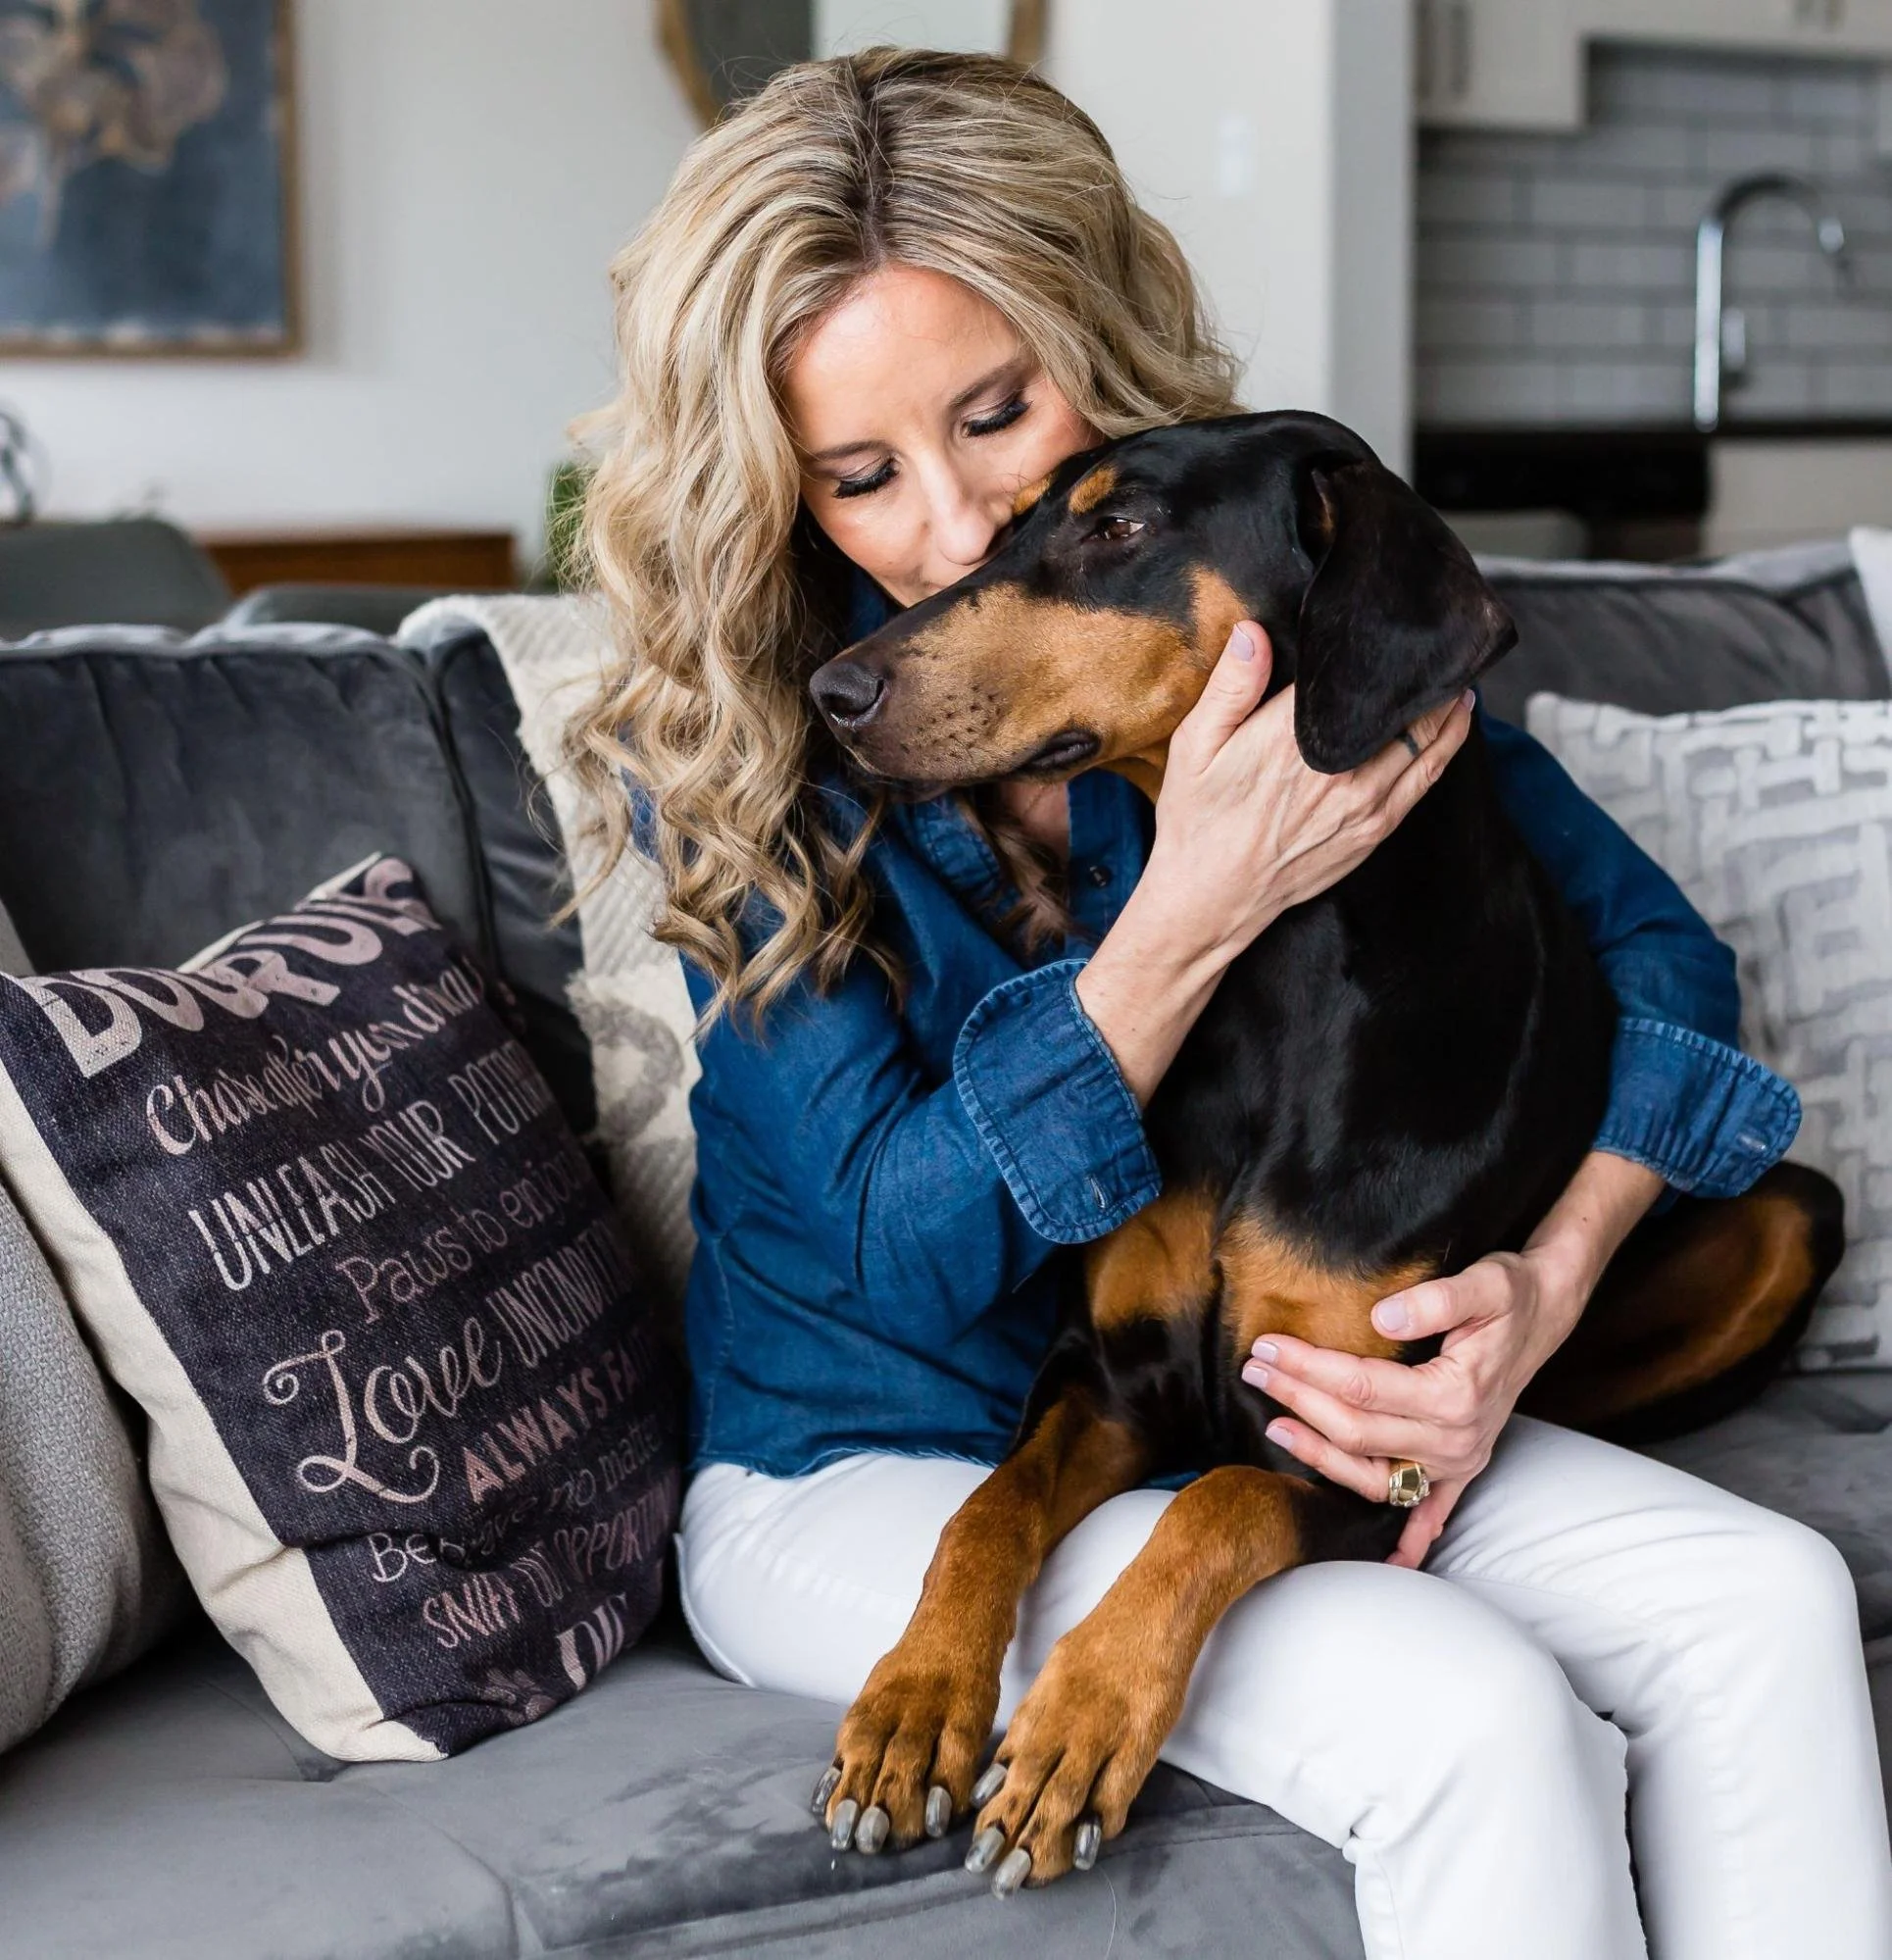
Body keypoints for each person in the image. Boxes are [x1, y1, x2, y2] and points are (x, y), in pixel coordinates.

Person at [570, 48, 1892, 1960]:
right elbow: (896, 1259)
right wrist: (1186, 909)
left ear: (1085, 348)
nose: (947, 529)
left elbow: (1661, 963)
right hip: (868, 1461)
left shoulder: (1264, 644)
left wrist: (1543, 1289)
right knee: (1468, 1714)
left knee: (1764, 1602)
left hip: (1222, 1413)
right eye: (859, 477)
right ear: (779, 488)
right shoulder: (742, 759)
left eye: (995, 415)